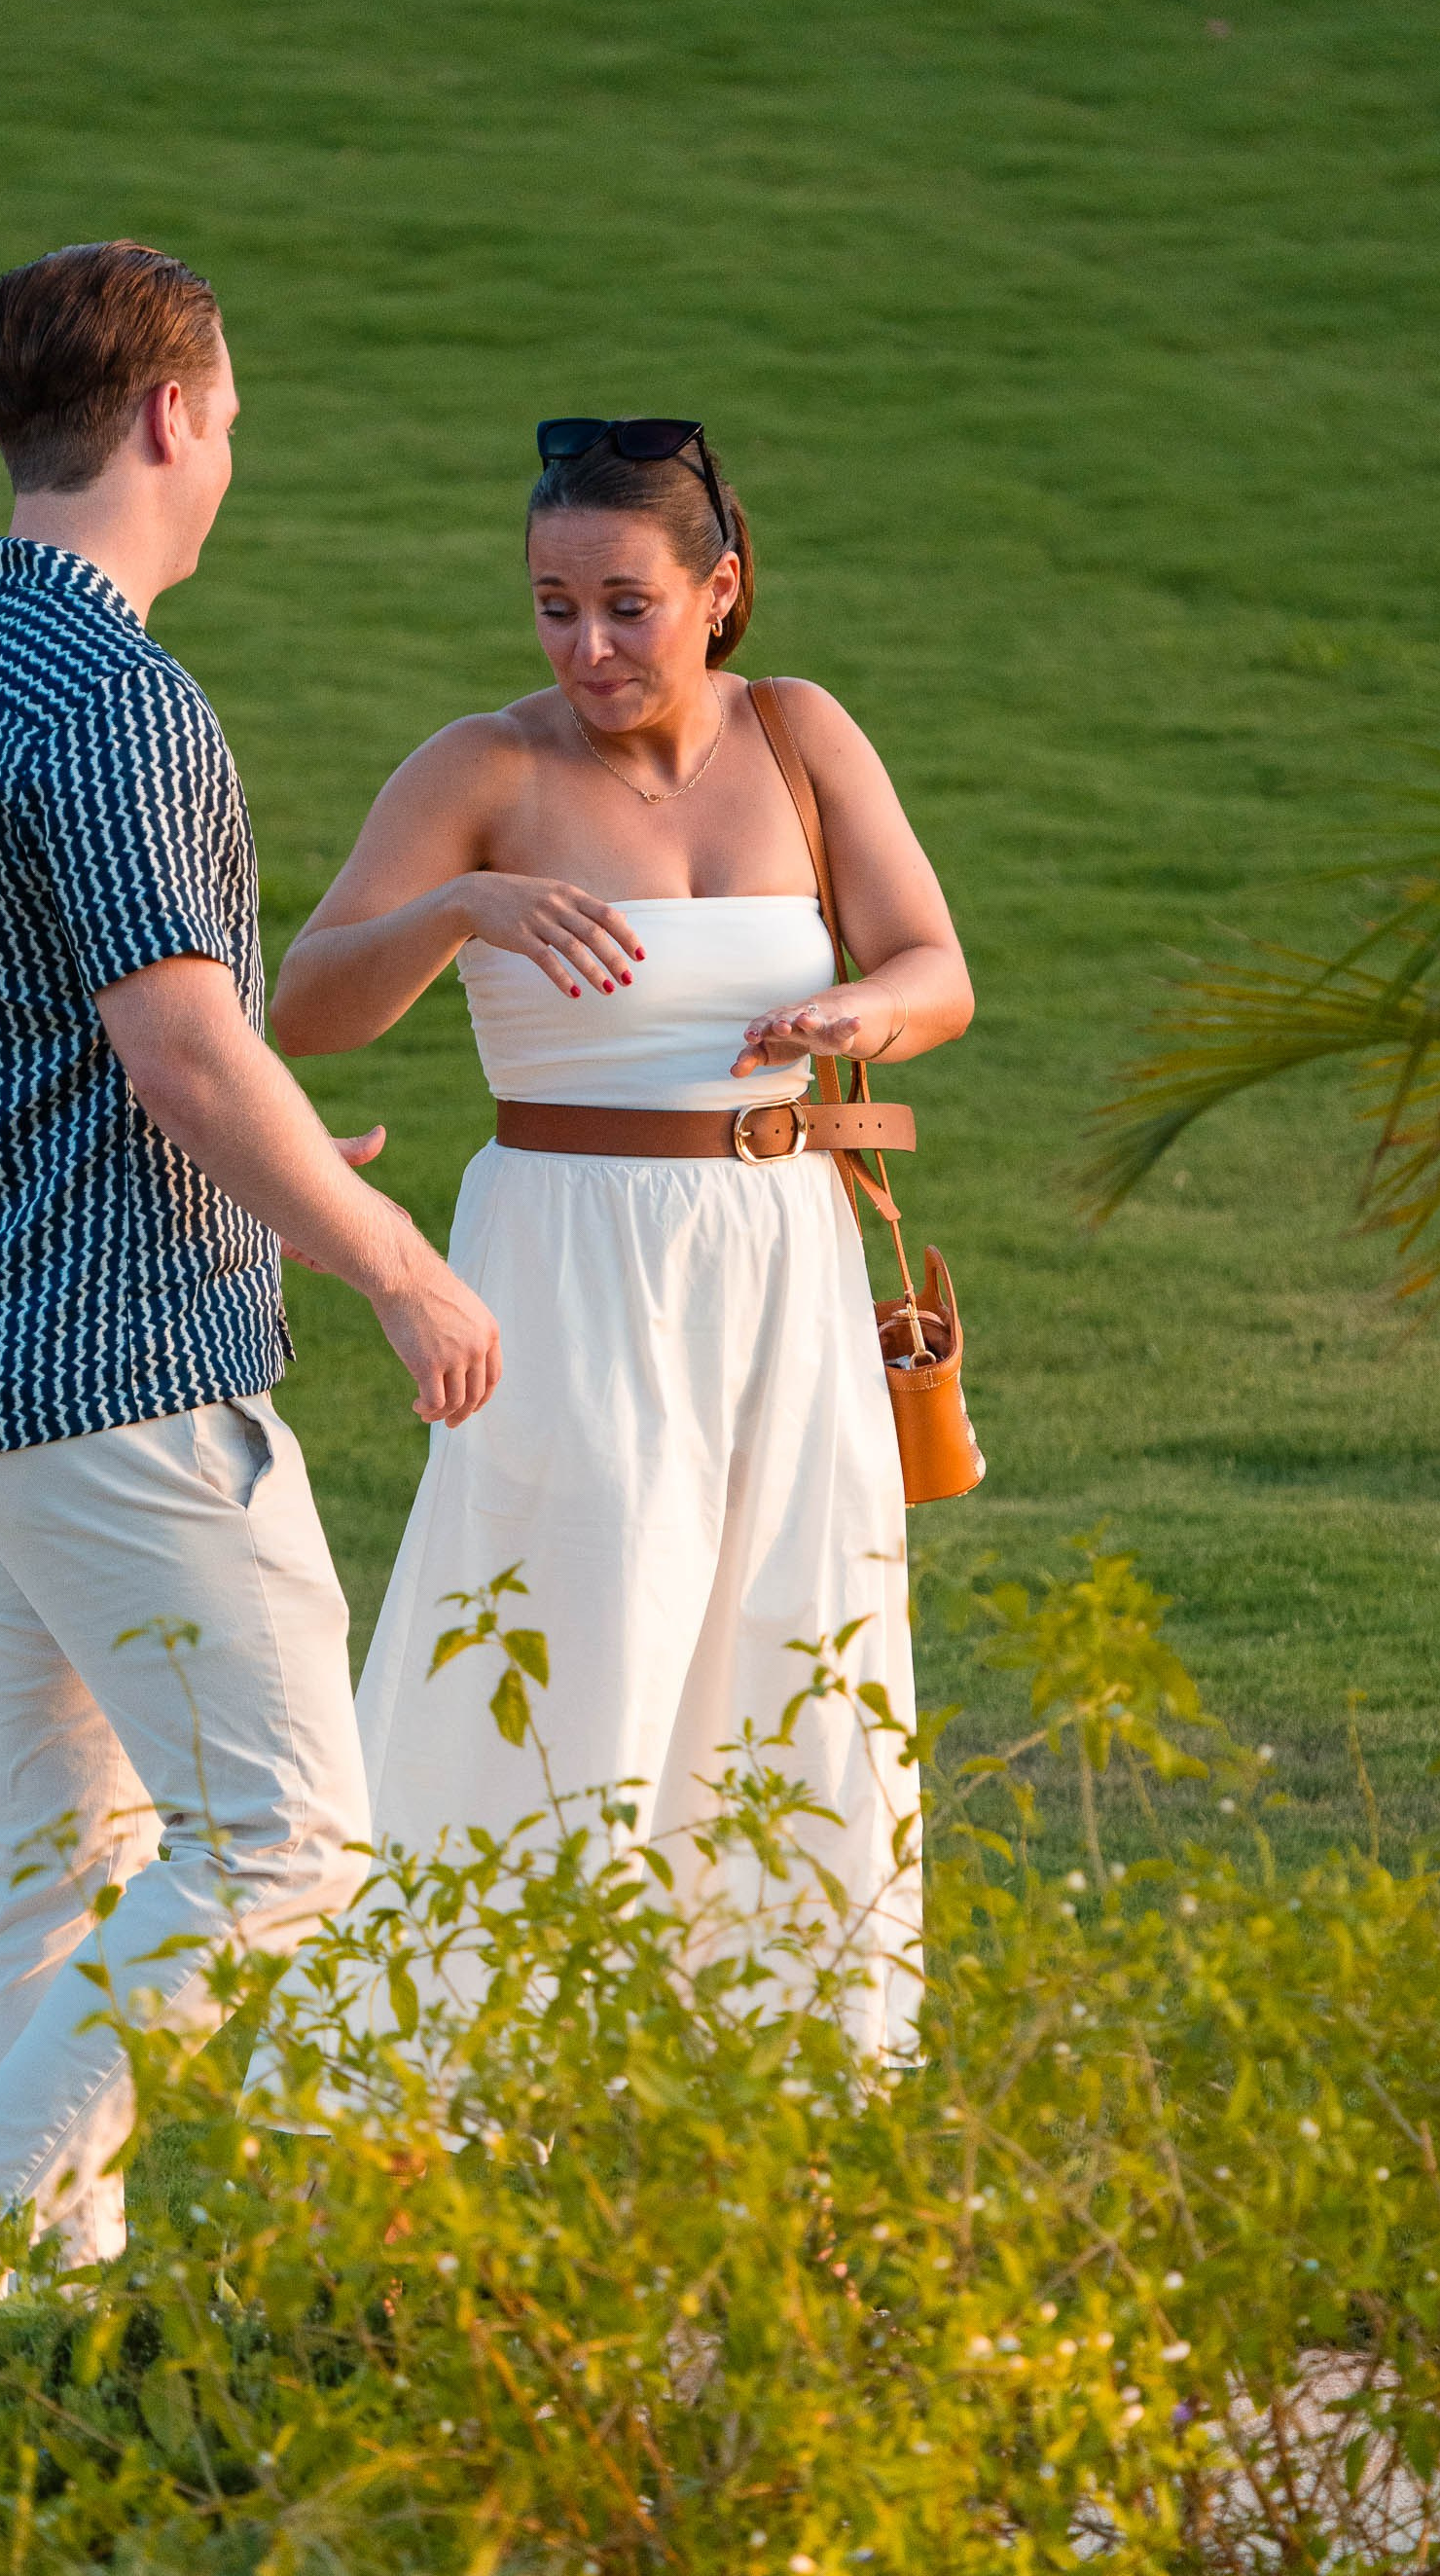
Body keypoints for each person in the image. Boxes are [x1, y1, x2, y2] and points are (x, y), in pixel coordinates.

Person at [0, 242, 499, 2374]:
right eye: (235, 416)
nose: (233, 451)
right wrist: (398, 1263)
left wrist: (259, 1149)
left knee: (57, 1870)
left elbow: (49, 1040)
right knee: (283, 1837)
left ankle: (1, 2354)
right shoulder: (110, 698)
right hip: (116, 1393)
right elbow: (182, 1047)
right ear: (171, 416)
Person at [272, 418, 974, 2058]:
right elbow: (304, 1008)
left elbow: (937, 965)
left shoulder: (802, 736)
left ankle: (793, 2078)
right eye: (551, 606)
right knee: (566, 1639)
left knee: (795, 1642)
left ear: (718, 589)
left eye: (626, 605)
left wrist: (862, 1004)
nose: (586, 645)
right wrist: (460, 912)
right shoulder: (485, 770)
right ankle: (462, 2080)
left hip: (783, 1262)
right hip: (569, 1271)